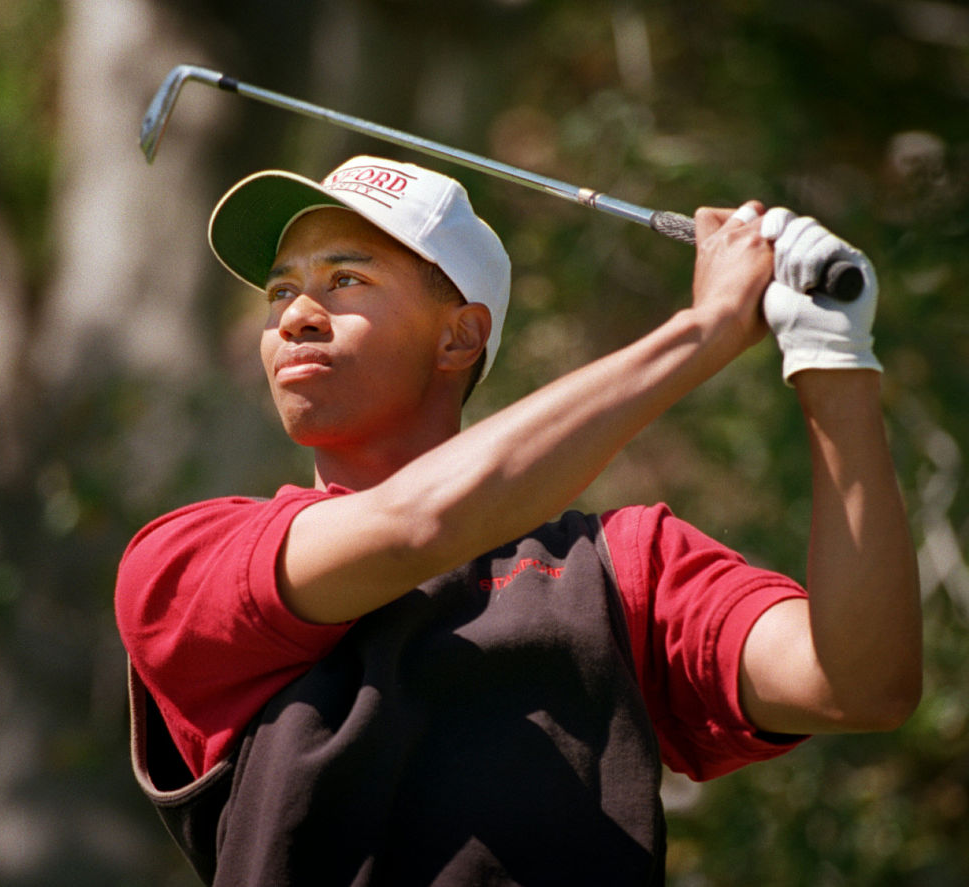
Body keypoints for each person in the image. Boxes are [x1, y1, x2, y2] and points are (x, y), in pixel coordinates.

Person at [115, 155, 922, 886]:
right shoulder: (186, 559)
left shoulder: (621, 566)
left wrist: (834, 361)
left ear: (460, 335)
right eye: (281, 290)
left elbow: (858, 683)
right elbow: (415, 526)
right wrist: (703, 331)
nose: (295, 315)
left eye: (346, 280)